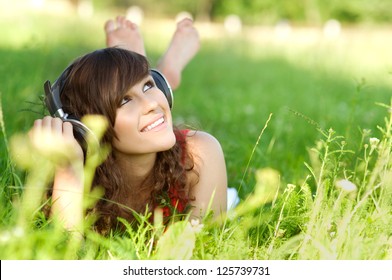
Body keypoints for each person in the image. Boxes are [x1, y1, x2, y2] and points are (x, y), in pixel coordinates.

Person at [28, 17, 228, 234]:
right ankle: (159, 72)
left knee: (150, 116)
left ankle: (163, 72)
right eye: (124, 100)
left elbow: (206, 252)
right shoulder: (79, 177)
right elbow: (63, 256)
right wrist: (68, 172)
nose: (152, 102)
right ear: (85, 130)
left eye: (149, 85)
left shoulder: (198, 154)